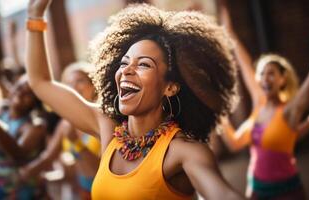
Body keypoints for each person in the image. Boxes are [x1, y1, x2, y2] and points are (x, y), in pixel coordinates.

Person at [26, 1, 244, 199]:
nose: (127, 71)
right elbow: (40, 82)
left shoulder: (184, 152)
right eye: (124, 63)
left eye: (144, 64)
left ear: (170, 87)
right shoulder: (107, 127)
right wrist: (35, 14)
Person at [217, 0, 309, 199]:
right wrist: (217, 115)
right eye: (262, 74)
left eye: (271, 73)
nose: (265, 78)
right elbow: (233, 143)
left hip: (287, 191)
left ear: (283, 79)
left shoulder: (290, 111)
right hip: (256, 189)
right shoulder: (259, 105)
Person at [20, 62, 101, 199]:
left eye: (79, 81)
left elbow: (99, 170)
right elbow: (48, 157)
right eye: (68, 84)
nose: (74, 87)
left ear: (94, 85)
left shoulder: (102, 119)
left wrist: (76, 143)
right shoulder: (66, 122)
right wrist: (26, 172)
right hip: (84, 192)